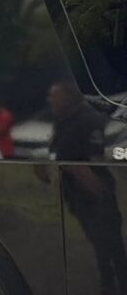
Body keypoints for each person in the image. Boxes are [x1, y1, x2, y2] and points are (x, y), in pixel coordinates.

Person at [47, 80, 127, 295]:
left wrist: (99, 196)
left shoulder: (87, 119)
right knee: (98, 244)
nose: (50, 100)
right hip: (79, 196)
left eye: (55, 96)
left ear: (68, 97)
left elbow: (90, 161)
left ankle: (120, 282)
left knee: (112, 243)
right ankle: (108, 284)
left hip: (93, 195)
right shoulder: (64, 120)